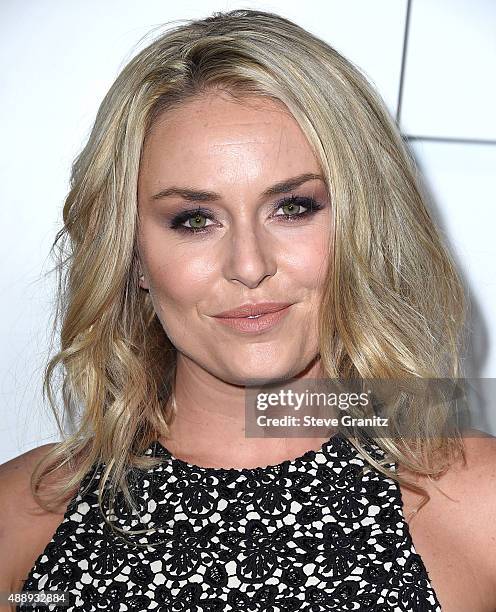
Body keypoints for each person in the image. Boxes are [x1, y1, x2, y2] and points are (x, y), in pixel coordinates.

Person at [0, 8, 495, 612]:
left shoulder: (479, 504)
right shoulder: (19, 520)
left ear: (362, 225)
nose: (249, 264)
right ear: (130, 257)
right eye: (194, 219)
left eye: (292, 207)